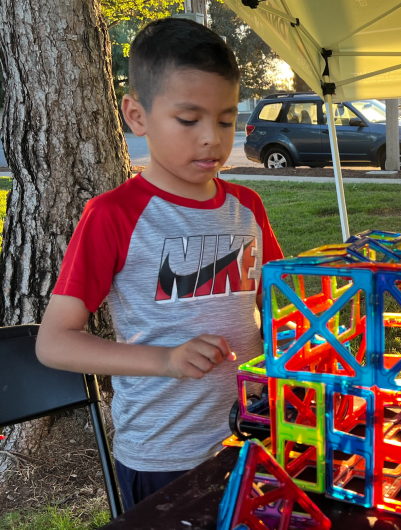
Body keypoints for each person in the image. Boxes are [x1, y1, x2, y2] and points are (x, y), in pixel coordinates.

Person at [35, 18, 283, 510]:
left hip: (256, 437)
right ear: (137, 114)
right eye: (189, 120)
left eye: (227, 119)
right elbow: (54, 342)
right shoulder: (114, 215)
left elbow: (279, 308)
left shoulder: (248, 207)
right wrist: (165, 360)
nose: (212, 138)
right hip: (163, 455)